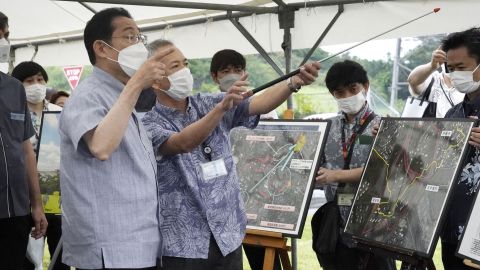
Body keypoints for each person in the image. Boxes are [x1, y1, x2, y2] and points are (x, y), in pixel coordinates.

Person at [142, 39, 320, 270]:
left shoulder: (206, 102)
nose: (185, 71)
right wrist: (221, 109)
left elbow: (259, 104)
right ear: (154, 78)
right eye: (175, 66)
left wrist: (293, 82)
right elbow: (182, 142)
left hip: (228, 235)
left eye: (185, 64)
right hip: (183, 245)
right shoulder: (146, 119)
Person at [59, 8, 172, 269]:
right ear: (102, 48)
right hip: (110, 247)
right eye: (130, 37)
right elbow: (101, 146)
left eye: (140, 38)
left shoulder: (123, 96)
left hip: (137, 243)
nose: (140, 46)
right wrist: (137, 84)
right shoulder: (88, 94)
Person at [314, 60, 396, 270]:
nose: (348, 97)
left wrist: (335, 176)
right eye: (340, 92)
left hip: (374, 223)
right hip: (335, 224)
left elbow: (382, 171)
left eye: (353, 89)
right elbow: (316, 166)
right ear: (333, 94)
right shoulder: (327, 127)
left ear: (365, 86)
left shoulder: (384, 126)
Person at [0, 11, 48, 270]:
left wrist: (37, 204)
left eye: (5, 35)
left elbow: (25, 148)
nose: (4, 41)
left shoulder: (13, 88)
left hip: (16, 210)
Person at [11, 61, 67, 270]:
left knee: (60, 254)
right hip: (24, 196)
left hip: (57, 194)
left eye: (40, 79)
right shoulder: (13, 115)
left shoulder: (59, 112)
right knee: (28, 254)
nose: (36, 84)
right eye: (29, 81)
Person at [440, 27, 480, 270]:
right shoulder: (453, 114)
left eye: (461, 68)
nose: (455, 75)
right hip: (452, 232)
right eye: (450, 69)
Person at [210, 49, 278, 120]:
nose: (232, 76)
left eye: (238, 71)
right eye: (226, 71)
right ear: (214, 76)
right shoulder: (206, 105)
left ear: (244, 73)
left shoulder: (262, 104)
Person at [407, 48, 464, 117]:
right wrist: (432, 66)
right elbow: (412, 81)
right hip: (428, 127)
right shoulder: (432, 80)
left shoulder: (470, 83)